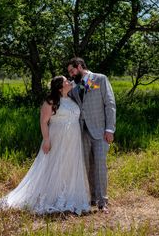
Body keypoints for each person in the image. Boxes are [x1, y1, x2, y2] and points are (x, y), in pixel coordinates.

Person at [0, 75, 90, 215]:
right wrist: (46, 139)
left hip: (73, 141)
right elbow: (43, 122)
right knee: (54, 166)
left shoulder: (72, 99)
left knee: (68, 166)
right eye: (66, 81)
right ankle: (51, 196)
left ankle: (68, 195)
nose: (69, 82)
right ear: (60, 87)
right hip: (57, 139)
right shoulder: (51, 101)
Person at [67, 57, 116, 213]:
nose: (71, 74)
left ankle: (103, 202)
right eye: (69, 72)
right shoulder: (74, 86)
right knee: (87, 167)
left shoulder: (100, 79)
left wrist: (110, 129)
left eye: (72, 70)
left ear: (80, 66)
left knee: (100, 166)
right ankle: (92, 198)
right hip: (82, 132)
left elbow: (110, 104)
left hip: (101, 131)